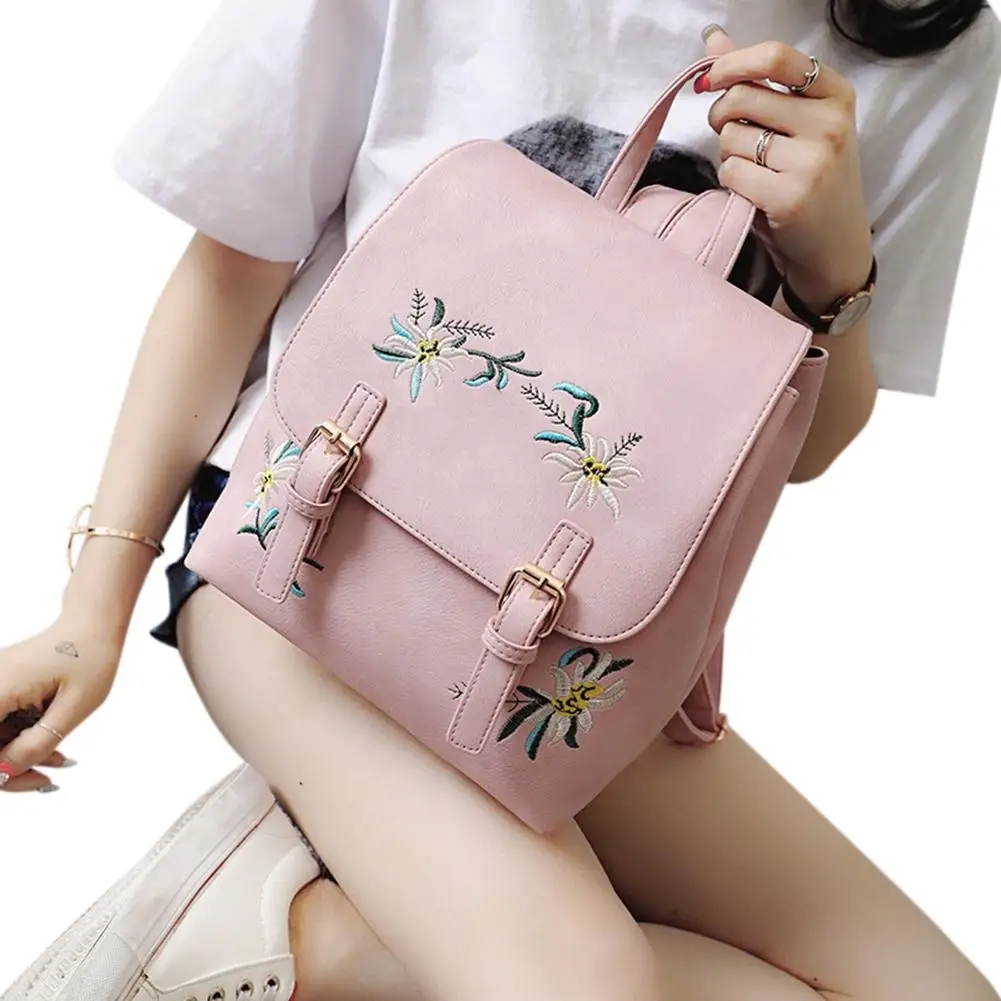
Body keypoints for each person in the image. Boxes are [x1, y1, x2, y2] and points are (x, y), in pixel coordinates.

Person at [2, 1, 1000, 1000]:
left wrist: (832, 277)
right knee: (589, 987)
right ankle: (306, 942)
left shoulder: (929, 39)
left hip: (575, 643)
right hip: (294, 547)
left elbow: (800, 450)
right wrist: (94, 607)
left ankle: (320, 937)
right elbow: (231, 276)